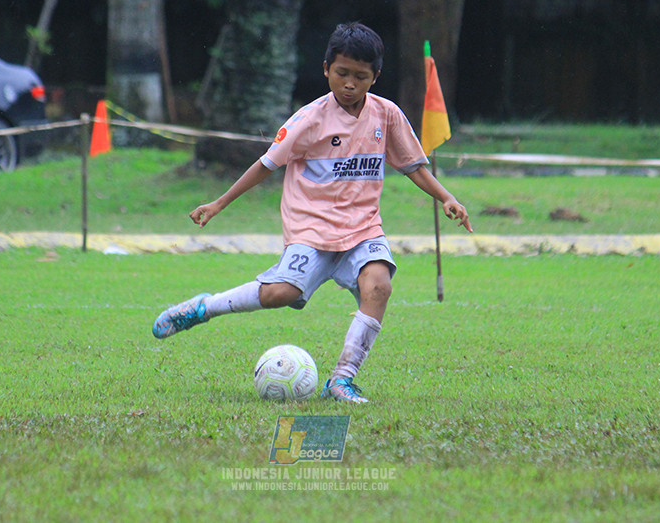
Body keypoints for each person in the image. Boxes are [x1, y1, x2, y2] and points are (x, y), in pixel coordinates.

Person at [152, 22, 472, 403]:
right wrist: (219, 202)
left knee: (379, 286)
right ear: (325, 69)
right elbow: (266, 164)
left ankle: (342, 379)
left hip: (363, 230)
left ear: (375, 77)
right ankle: (202, 308)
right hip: (312, 231)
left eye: (361, 76)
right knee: (280, 294)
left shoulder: (386, 115)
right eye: (342, 73)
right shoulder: (309, 119)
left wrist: (446, 197)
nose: (350, 84)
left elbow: (413, 166)